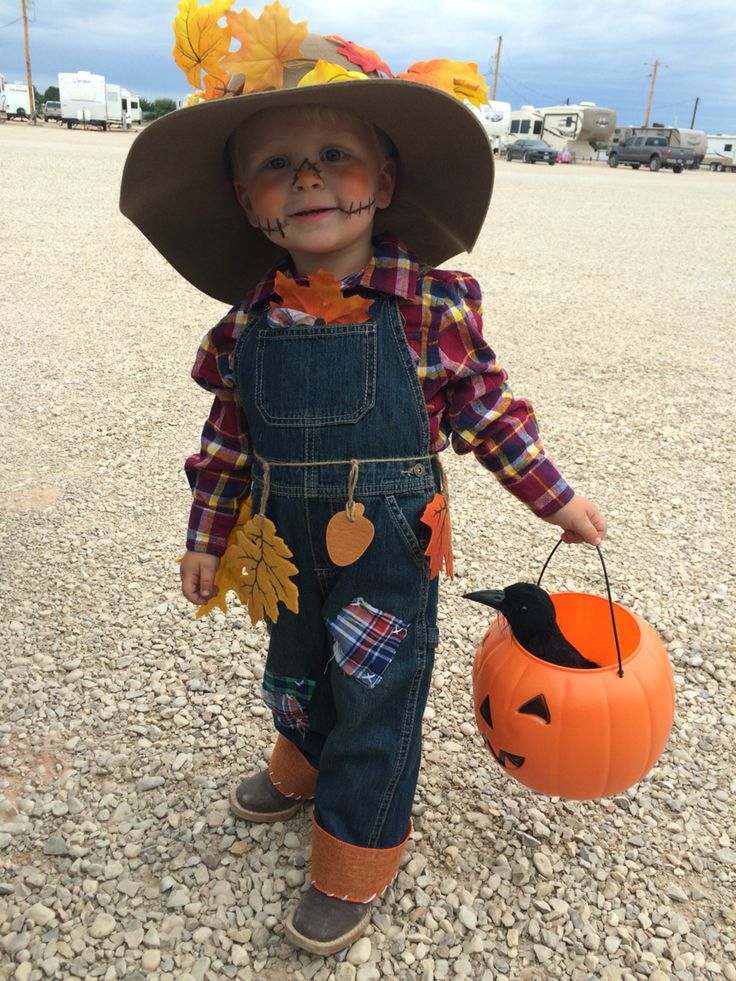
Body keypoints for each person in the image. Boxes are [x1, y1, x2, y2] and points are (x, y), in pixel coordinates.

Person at [120, 13, 606, 957]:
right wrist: (205, 534)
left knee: (377, 685)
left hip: (388, 546)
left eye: (334, 154)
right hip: (283, 545)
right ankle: (303, 756)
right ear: (246, 202)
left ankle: (358, 848)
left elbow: (485, 410)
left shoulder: (428, 305)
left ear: (383, 182)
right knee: (296, 667)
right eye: (276, 164)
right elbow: (225, 442)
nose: (306, 177)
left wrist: (552, 495)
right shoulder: (243, 327)